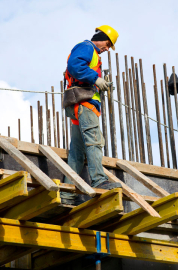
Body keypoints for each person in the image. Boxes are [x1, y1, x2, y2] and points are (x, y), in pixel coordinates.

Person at [61, 25, 122, 205]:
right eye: (108, 44)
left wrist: (99, 83)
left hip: (79, 105)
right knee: (95, 141)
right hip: (84, 104)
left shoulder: (93, 54)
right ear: (101, 37)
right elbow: (74, 65)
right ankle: (99, 180)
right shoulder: (87, 47)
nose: (107, 49)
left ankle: (67, 194)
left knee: (77, 153)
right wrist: (95, 79)